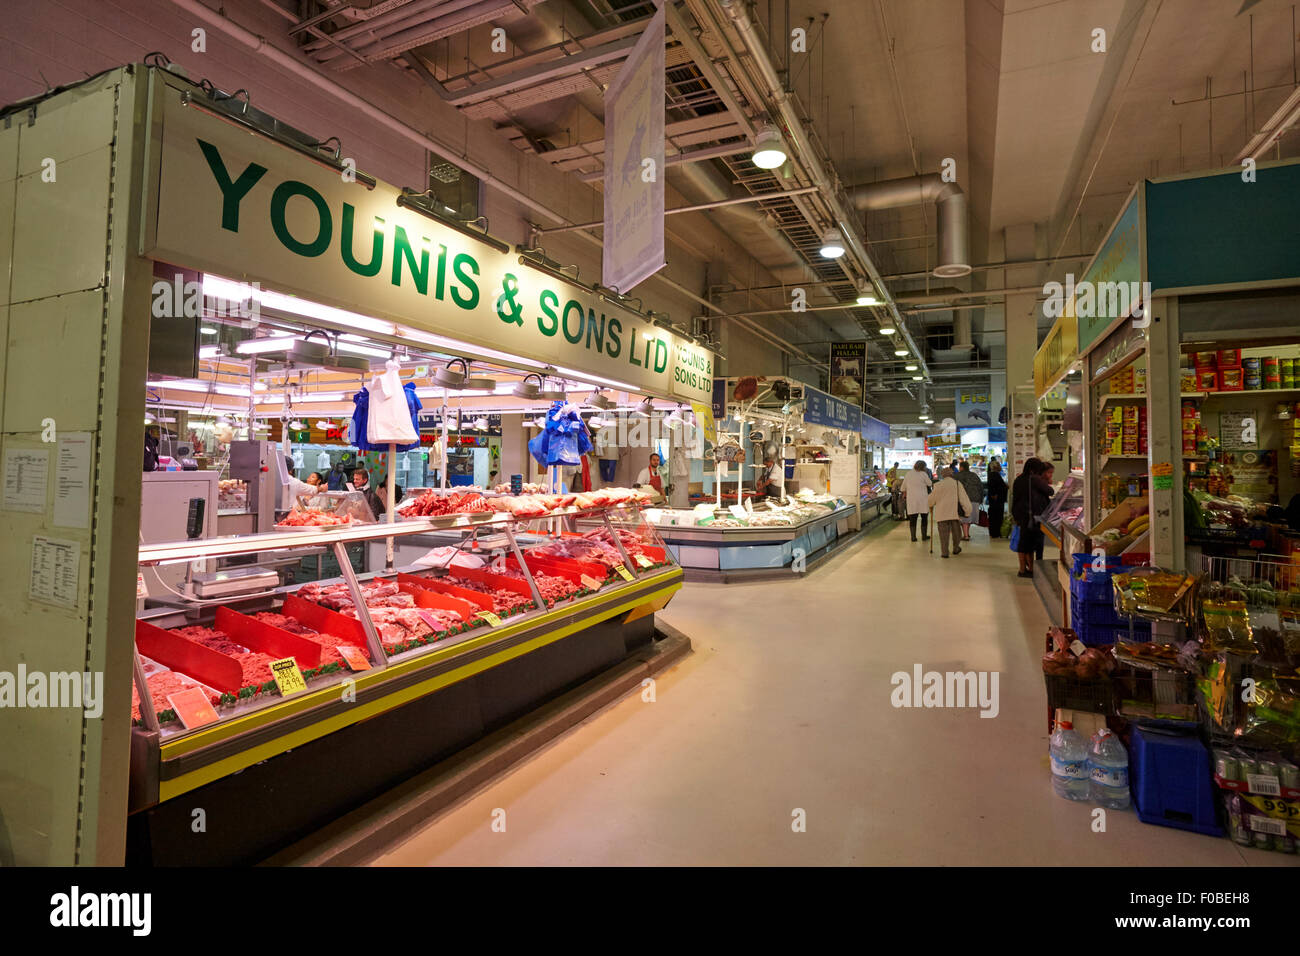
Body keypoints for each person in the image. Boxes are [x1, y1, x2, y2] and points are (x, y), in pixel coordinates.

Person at [1011, 458, 1054, 578]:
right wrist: (1048, 482)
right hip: (1031, 516)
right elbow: (1050, 491)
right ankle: (1026, 570)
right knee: (1028, 544)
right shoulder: (1034, 479)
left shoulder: (1019, 479)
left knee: (1024, 543)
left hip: (1020, 514)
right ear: (1034, 469)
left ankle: (1027, 568)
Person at [928, 466, 972, 558]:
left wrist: (930, 505)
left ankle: (944, 552)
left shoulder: (938, 485)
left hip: (941, 513)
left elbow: (931, 500)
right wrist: (968, 511)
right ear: (952, 474)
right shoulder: (956, 484)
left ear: (942, 475)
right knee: (957, 533)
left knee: (943, 534)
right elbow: (963, 498)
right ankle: (956, 548)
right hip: (954, 513)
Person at [903, 460, 933, 541]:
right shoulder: (923, 474)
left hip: (912, 499)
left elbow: (903, 487)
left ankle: (913, 537)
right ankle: (924, 536)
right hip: (922, 499)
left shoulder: (908, 473)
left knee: (913, 518)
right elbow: (930, 484)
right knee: (924, 518)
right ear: (923, 467)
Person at [956, 461, 985, 541]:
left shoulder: (957, 476)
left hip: (963, 499)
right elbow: (980, 487)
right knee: (969, 518)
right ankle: (967, 533)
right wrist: (981, 498)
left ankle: (966, 536)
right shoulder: (974, 475)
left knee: (964, 517)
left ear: (961, 467)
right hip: (975, 498)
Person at [986, 459, 1007, 538]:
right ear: (995, 467)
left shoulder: (994, 474)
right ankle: (995, 532)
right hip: (996, 501)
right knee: (996, 516)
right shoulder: (994, 475)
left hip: (997, 500)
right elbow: (993, 487)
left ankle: (995, 532)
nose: (1000, 467)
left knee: (995, 516)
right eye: (999, 465)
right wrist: (994, 495)